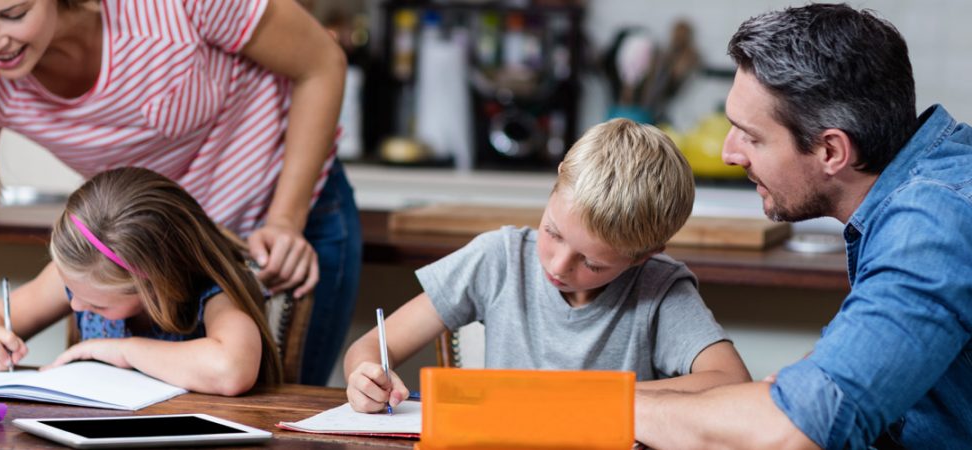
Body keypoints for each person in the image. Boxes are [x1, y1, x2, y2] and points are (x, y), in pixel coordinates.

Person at [0, 0, 360, 385]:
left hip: (278, 218)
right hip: (134, 246)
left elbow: (322, 64)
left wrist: (284, 221)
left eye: (14, 13)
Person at [634, 4, 972, 449]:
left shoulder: (932, 225)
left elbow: (793, 431)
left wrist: (586, 406)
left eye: (751, 136)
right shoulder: (927, 184)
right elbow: (814, 395)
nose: (729, 154)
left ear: (831, 151)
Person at [344, 118, 751, 413]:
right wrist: (365, 376)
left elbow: (730, 382)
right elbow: (371, 347)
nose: (557, 265)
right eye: (553, 232)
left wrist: (588, 397)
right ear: (556, 184)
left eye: (591, 262)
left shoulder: (659, 289)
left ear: (645, 255)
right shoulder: (498, 258)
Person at [0, 167, 282, 394]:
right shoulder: (81, 276)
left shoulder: (211, 295)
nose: (75, 304)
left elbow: (231, 370)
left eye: (95, 304)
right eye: (72, 292)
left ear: (156, 286)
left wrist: (123, 350)